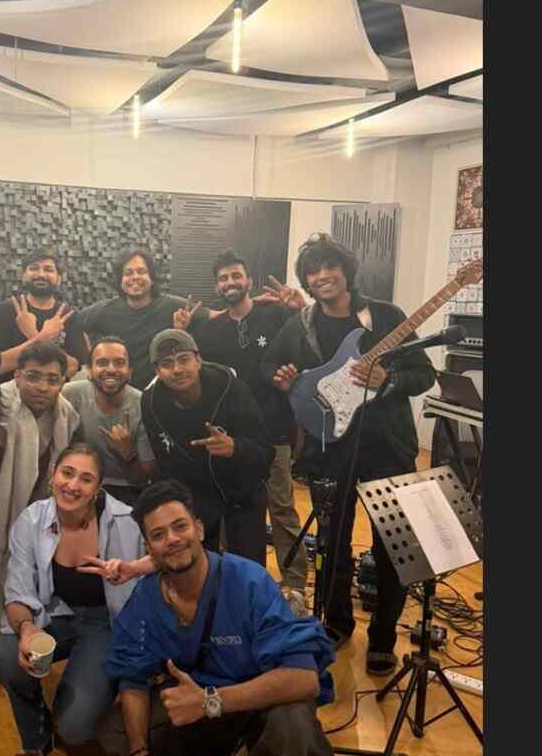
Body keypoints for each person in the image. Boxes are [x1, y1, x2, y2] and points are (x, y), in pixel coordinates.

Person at [97, 480, 336, 756]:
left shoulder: (248, 581)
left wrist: (211, 701)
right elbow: (132, 676)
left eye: (179, 526)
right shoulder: (147, 598)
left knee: (295, 726)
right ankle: (222, 754)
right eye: (158, 535)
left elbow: (304, 678)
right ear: (149, 548)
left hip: (255, 700)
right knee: (116, 735)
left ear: (198, 528)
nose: (172, 539)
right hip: (200, 705)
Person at [261, 233, 435, 675]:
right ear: (306, 280)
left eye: (329, 267)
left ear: (346, 271)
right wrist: (283, 378)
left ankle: (383, 638)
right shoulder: (301, 325)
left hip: (388, 449)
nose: (322, 277)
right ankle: (336, 623)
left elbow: (424, 374)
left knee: (393, 547)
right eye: (312, 271)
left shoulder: (386, 317)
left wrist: (388, 381)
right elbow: (268, 365)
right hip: (330, 449)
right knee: (332, 542)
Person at [0, 442, 156, 756]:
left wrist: (135, 569)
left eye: (86, 478)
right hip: (55, 614)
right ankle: (36, 736)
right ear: (53, 475)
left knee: (75, 730)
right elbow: (18, 591)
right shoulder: (32, 520)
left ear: (98, 488)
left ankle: (96, 698)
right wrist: (27, 628)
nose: (72, 485)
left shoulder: (126, 520)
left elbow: (170, 558)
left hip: (104, 623)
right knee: (6, 652)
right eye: (67, 473)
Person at [0, 342, 83, 687]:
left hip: (22, 509)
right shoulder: (1, 404)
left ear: (63, 381)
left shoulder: (65, 412)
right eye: (33, 377)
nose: (42, 387)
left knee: (8, 577)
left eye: (52, 379)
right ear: (18, 376)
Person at [189, 249, 310, 614]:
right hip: (233, 440)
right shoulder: (209, 330)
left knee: (282, 508)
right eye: (223, 278)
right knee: (233, 510)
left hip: (274, 432)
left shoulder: (276, 315)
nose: (230, 283)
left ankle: (294, 585)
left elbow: (307, 344)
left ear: (249, 280)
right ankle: (235, 578)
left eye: (236, 275)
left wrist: (300, 309)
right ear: (217, 286)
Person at [139, 328, 274, 567]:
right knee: (199, 574)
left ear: (198, 360)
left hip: (243, 494)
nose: (177, 369)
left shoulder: (230, 388)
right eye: (167, 363)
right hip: (195, 499)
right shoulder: (151, 402)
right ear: (157, 371)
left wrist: (235, 447)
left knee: (247, 572)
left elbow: (266, 453)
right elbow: (165, 466)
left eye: (184, 359)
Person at [76, 247, 211, 390]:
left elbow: (219, 316)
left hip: (161, 390)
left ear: (151, 278)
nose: (135, 277)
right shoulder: (103, 310)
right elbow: (74, 324)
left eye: (141, 271)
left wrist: (182, 330)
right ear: (120, 280)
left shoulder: (175, 306)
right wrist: (89, 363)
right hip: (120, 392)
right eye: (128, 273)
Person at [61, 334, 155, 507]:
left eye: (119, 363)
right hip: (77, 482)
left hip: (126, 488)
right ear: (89, 371)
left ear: (130, 371)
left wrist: (128, 454)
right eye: (102, 363)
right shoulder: (69, 394)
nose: (111, 370)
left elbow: (144, 478)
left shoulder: (143, 405)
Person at [0, 248, 86, 382]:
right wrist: (42, 337)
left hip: (54, 390)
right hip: (10, 390)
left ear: (59, 278)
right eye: (34, 268)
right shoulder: (6, 310)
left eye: (48, 269)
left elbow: (72, 367)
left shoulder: (68, 315)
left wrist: (33, 335)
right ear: (23, 275)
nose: (41, 274)